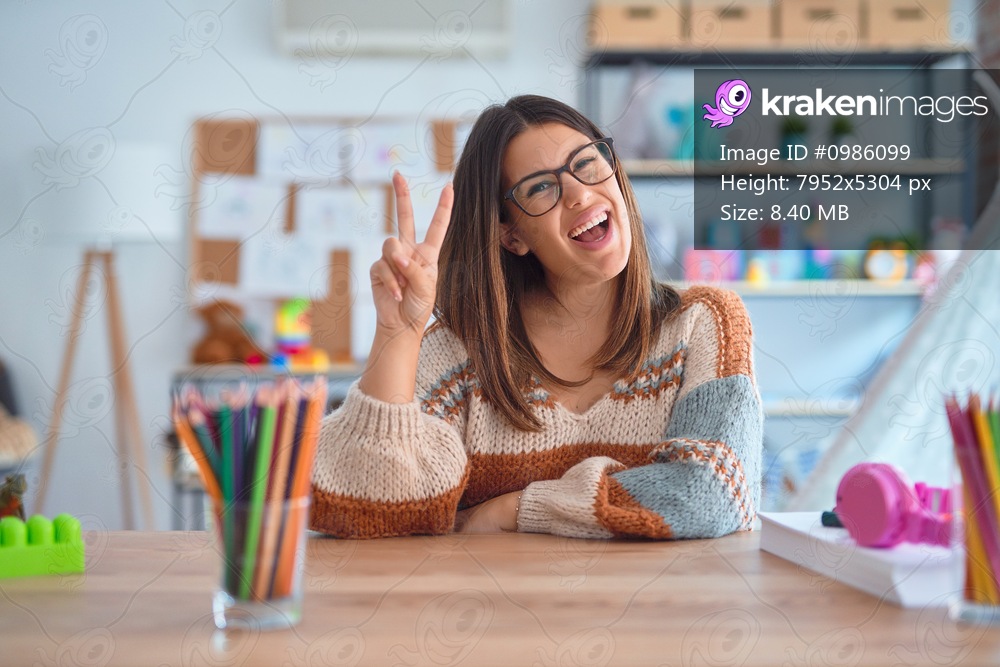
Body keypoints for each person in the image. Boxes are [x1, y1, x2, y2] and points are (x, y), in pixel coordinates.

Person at [310, 94, 762, 539]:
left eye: (587, 162)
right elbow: (361, 508)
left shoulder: (703, 323)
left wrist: (516, 509)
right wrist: (399, 334)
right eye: (541, 187)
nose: (580, 193)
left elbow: (712, 493)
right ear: (512, 235)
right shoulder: (460, 354)